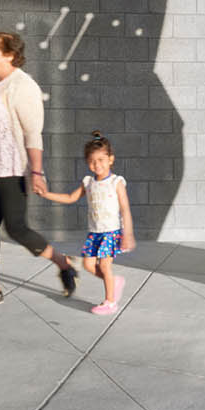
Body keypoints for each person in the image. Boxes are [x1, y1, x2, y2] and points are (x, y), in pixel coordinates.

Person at [0, 31, 79, 306]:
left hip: (11, 168)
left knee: (16, 228)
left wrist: (37, 172)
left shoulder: (22, 86)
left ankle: (63, 262)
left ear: (10, 55)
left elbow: (33, 134)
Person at [34, 131, 135, 314]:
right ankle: (113, 281)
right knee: (89, 265)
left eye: (101, 160)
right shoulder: (88, 182)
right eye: (92, 161)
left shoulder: (116, 182)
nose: (97, 165)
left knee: (104, 266)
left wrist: (127, 234)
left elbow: (125, 209)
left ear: (110, 159)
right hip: (94, 233)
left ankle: (110, 302)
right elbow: (70, 197)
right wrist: (47, 194)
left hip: (110, 232)